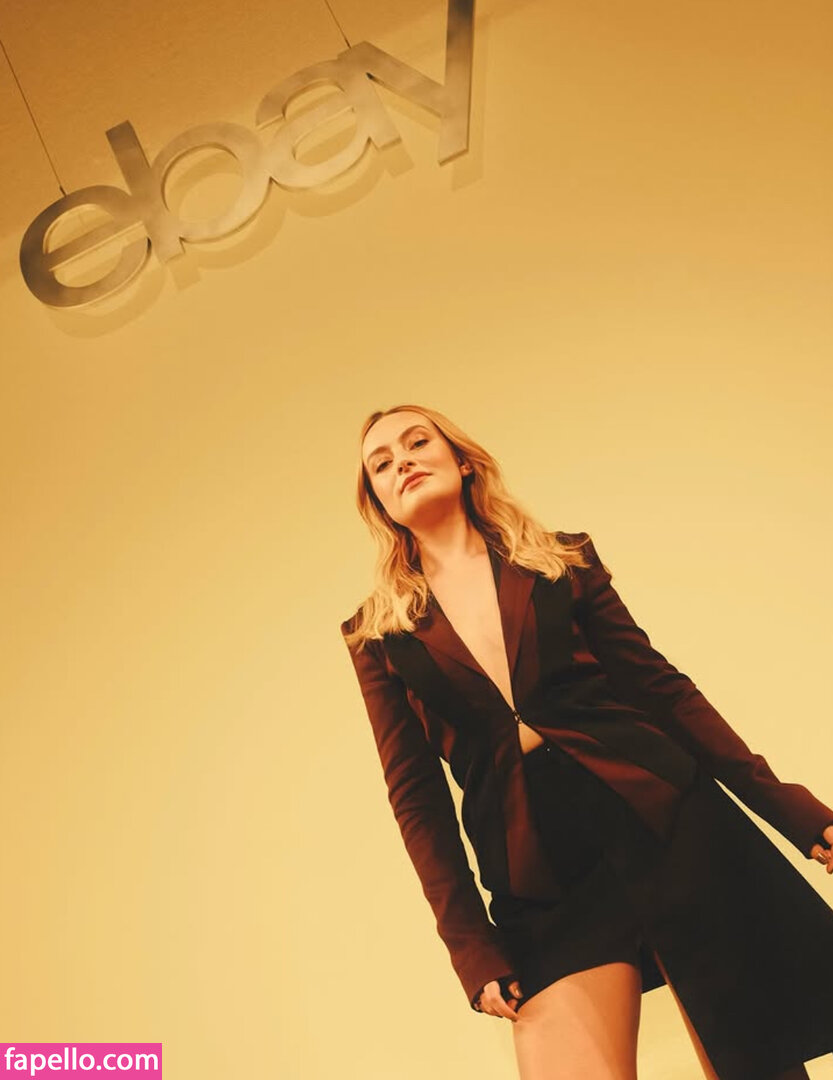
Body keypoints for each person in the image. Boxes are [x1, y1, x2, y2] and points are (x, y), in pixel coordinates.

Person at [339, 403, 833, 1080]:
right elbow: (416, 800)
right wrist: (469, 945)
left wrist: (793, 811)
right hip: (539, 873)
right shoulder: (377, 635)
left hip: (667, 823)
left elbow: (663, 690)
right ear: (378, 502)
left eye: (417, 442)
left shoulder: (560, 561)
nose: (402, 462)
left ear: (462, 460)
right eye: (382, 463)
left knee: (754, 1066)